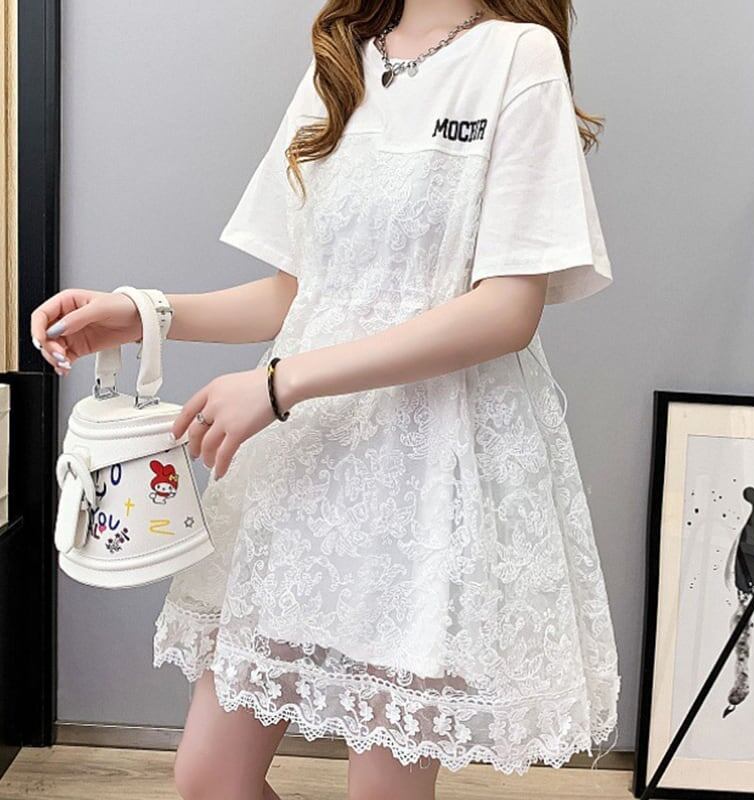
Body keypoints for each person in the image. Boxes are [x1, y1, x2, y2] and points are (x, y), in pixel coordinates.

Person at [31, 1, 622, 798]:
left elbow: (506, 311)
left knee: (382, 789)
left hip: (426, 469)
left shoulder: (517, 57)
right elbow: (300, 293)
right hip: (309, 460)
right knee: (209, 778)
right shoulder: (340, 60)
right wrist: (147, 313)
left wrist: (280, 385)